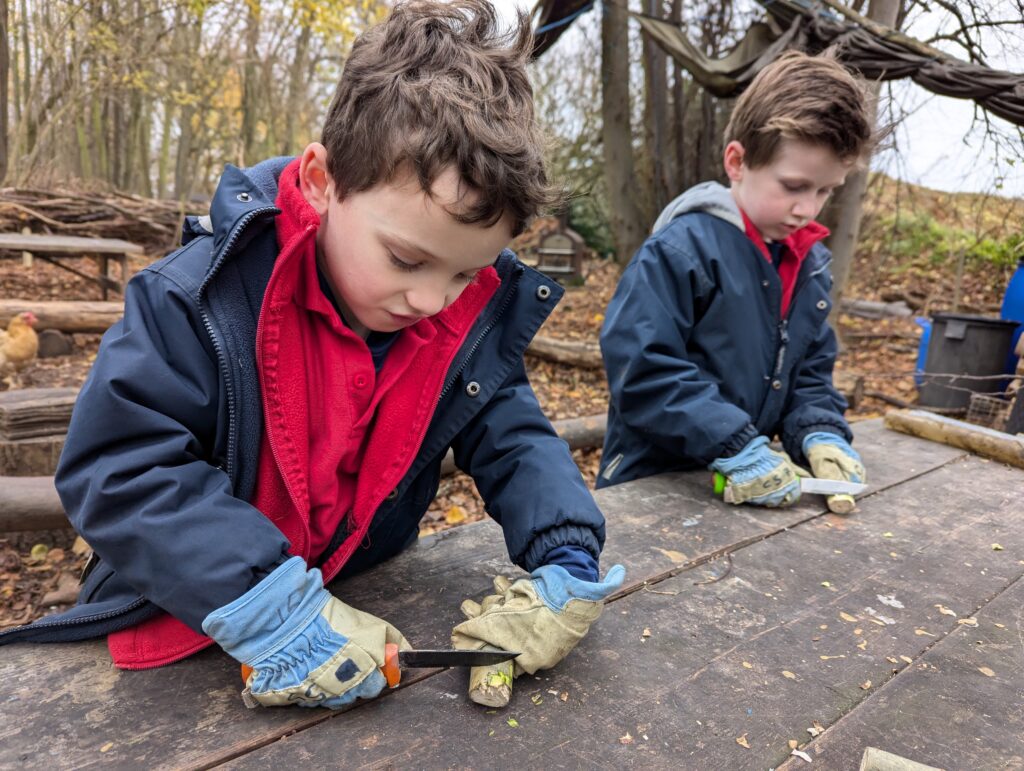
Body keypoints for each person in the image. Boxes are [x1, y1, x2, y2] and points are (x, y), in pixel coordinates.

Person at [1, 0, 624, 710]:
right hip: (175, 627)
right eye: (406, 258)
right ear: (324, 182)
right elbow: (121, 470)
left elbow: (513, 432)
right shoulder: (196, 298)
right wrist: (268, 605)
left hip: (352, 604)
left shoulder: (455, 322)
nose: (431, 301)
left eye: (462, 275)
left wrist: (567, 556)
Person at [598, 51, 871, 511]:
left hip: (746, 490)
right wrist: (733, 442)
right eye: (794, 186)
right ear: (737, 161)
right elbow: (642, 368)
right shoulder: (682, 249)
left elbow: (808, 372)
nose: (808, 209)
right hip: (652, 486)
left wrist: (819, 430)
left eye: (826, 191)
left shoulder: (809, 265)